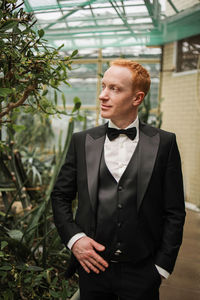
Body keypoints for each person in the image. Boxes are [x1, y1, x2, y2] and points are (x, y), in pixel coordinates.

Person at [51, 59, 186, 300]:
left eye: (114, 88)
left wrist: (162, 267)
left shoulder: (164, 143)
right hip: (92, 270)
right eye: (103, 86)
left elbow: (174, 211)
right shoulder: (82, 141)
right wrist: (75, 240)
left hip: (143, 272)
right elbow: (60, 196)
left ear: (137, 98)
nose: (103, 95)